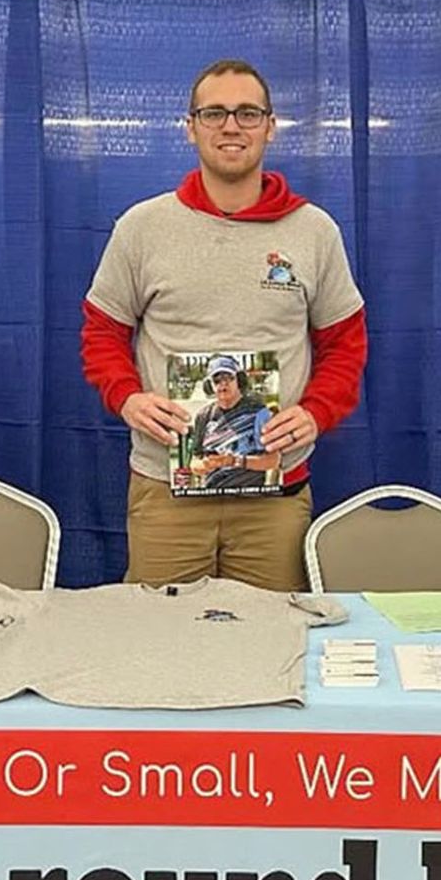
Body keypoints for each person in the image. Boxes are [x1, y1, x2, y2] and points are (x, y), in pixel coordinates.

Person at [80, 58, 368, 592]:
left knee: (271, 652)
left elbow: (346, 345)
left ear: (270, 126)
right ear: (190, 127)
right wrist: (128, 397)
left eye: (247, 113)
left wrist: (316, 411)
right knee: (157, 647)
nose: (230, 126)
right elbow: (102, 333)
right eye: (214, 113)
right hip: (166, 490)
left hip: (275, 497)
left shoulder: (314, 231)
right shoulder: (143, 228)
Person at [187, 354, 281, 492]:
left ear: (239, 380)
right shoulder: (203, 416)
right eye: (217, 380)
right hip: (212, 494)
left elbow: (273, 460)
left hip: (251, 495)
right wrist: (206, 465)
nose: (223, 384)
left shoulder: (259, 412)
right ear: (210, 385)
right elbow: (194, 464)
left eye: (228, 378)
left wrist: (236, 461)